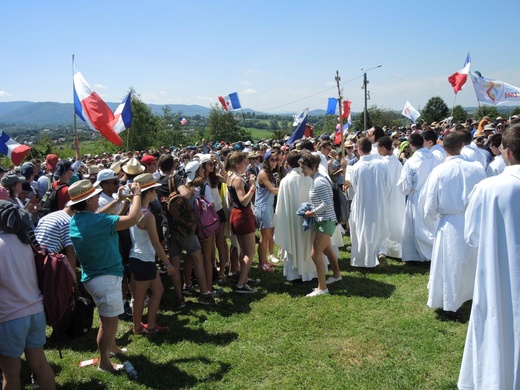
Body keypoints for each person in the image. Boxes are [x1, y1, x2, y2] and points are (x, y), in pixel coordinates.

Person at [458, 124, 520, 389]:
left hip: (500, 272)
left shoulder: (488, 188)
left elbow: (472, 236)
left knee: (499, 326)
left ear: (505, 152)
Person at [68, 179, 142, 372]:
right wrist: (136, 195)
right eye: (94, 196)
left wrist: (120, 200)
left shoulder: (78, 219)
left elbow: (101, 216)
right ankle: (104, 363)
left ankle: (113, 347)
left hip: (95, 277)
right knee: (107, 324)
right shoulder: (97, 222)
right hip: (106, 278)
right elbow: (133, 219)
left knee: (110, 318)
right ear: (88, 201)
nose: (98, 198)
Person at [421, 132, 486, 318]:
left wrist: (429, 220)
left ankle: (451, 304)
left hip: (450, 223)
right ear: (462, 145)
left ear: (443, 148)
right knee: (471, 260)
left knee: (450, 264)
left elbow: (430, 205)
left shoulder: (440, 171)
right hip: (473, 220)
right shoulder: (477, 168)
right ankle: (472, 295)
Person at [0, 201, 56, 390]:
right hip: (35, 312)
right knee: (40, 363)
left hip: (9, 317)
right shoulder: (24, 242)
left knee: (11, 372)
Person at [128, 174, 173, 334]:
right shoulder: (147, 215)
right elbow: (156, 243)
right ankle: (138, 327)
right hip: (143, 258)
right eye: (155, 191)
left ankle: (150, 325)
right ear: (148, 193)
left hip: (140, 257)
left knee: (158, 290)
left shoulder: (133, 209)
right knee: (140, 297)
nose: (157, 194)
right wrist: (167, 263)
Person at [299, 153, 341, 297]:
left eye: (303, 167)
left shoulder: (319, 181)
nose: (301, 170)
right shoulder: (317, 179)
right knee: (328, 250)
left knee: (315, 254)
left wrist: (312, 212)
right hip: (324, 220)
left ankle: (322, 288)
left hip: (325, 221)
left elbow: (327, 203)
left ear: (312, 167)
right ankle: (336, 275)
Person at [397, 133, 440, 263]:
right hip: (433, 194)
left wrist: (406, 189)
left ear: (410, 145)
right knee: (431, 224)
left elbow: (405, 185)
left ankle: (417, 255)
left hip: (417, 195)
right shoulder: (435, 158)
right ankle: (434, 251)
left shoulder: (411, 162)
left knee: (417, 225)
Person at [274, 150, 316, 281]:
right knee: (309, 243)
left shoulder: (286, 181)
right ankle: (311, 272)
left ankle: (294, 274)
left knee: (294, 240)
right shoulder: (310, 177)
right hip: (309, 217)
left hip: (292, 220)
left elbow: (281, 207)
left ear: (288, 163)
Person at [348, 137, 390, 267]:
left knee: (362, 228)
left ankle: (364, 256)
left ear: (359, 150)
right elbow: (387, 184)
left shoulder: (355, 168)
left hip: (362, 202)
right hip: (379, 200)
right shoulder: (381, 164)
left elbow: (354, 187)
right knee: (379, 226)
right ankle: (380, 251)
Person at [226, 152, 258, 293]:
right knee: (250, 252)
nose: (247, 164)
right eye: (245, 162)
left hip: (236, 214)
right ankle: (241, 284)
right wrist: (252, 185)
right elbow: (244, 201)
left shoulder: (230, 176)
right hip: (242, 215)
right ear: (238, 163)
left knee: (243, 250)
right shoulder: (237, 179)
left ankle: (244, 277)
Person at [377, 136, 405, 259]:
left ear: (383, 148)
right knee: (396, 220)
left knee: (387, 222)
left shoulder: (382, 164)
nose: (377, 150)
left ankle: (386, 248)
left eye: (378, 147)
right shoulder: (397, 162)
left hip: (386, 197)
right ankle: (395, 248)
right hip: (398, 198)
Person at [255, 151, 280, 272]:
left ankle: (265, 261)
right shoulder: (263, 173)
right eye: (272, 160)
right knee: (264, 237)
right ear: (266, 161)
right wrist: (286, 188)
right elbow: (272, 190)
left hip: (268, 207)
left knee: (268, 235)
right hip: (263, 207)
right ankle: (261, 263)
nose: (275, 162)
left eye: (276, 160)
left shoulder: (270, 173)